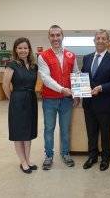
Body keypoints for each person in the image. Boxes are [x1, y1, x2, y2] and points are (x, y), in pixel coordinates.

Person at [38, 25, 79, 170]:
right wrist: (62, 89)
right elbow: (45, 78)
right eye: (52, 35)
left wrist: (77, 94)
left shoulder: (71, 55)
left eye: (58, 35)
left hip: (67, 100)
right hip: (49, 99)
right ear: (49, 37)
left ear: (62, 36)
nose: (55, 38)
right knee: (49, 128)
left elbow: (76, 75)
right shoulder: (43, 56)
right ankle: (48, 156)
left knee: (65, 128)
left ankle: (65, 153)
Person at [81, 29, 110, 171]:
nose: (100, 40)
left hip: (105, 104)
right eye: (98, 38)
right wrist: (79, 87)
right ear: (94, 40)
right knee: (91, 132)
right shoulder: (86, 58)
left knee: (105, 132)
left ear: (108, 41)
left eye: (103, 38)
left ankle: (105, 158)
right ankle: (92, 156)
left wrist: (101, 88)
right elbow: (83, 77)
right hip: (88, 103)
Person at [2, 37, 38, 174]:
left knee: (28, 132)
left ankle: (27, 160)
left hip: (31, 100)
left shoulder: (34, 65)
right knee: (18, 133)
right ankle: (22, 162)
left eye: (25, 48)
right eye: (20, 48)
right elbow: (5, 85)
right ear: (16, 50)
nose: (23, 50)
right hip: (17, 100)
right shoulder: (11, 64)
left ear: (29, 49)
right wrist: (13, 99)